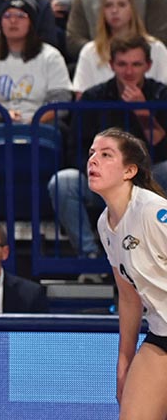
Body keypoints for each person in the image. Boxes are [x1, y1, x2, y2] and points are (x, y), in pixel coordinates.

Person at [49, 38, 167, 260]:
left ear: (148, 66)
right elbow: (76, 147)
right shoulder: (94, 97)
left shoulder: (161, 95)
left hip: (146, 181)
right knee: (63, 182)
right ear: (111, 65)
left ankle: (157, 254)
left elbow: (161, 149)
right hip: (102, 181)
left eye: (136, 64)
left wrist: (142, 112)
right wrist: (103, 176)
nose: (129, 71)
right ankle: (89, 255)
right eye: (122, 64)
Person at [86, 128, 167, 413]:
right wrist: (124, 361)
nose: (93, 160)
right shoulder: (104, 225)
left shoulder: (154, 212)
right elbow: (129, 296)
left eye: (106, 155)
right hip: (161, 334)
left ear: (129, 170)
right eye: (92, 153)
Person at [0, 0, 72, 124]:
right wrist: (2, 115)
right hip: (0, 121)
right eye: (7, 16)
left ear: (31, 23)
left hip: (42, 123)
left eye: (20, 16)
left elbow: (61, 101)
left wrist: (36, 120)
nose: (13, 21)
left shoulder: (51, 56)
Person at [72, 0, 167, 96]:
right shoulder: (89, 51)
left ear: (132, 9)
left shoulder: (156, 47)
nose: (114, 10)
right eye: (108, 6)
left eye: (121, 5)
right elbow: (81, 96)